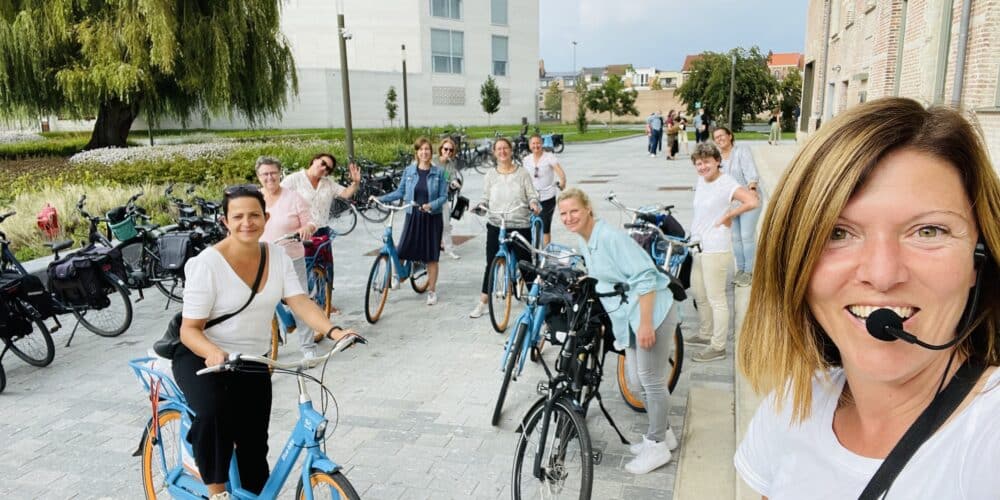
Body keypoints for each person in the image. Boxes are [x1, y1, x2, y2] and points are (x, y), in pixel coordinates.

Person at [735, 97, 1000, 498]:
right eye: (838, 233)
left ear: (978, 260)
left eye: (928, 231)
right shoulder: (791, 406)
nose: (882, 275)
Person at [172, 185, 358, 499]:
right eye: (238, 216)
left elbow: (299, 301)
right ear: (225, 221)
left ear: (266, 218)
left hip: (252, 360)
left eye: (254, 215)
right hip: (203, 357)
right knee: (214, 415)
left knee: (254, 444)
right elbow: (189, 330)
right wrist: (214, 352)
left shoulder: (277, 256)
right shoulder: (208, 264)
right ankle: (216, 493)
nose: (247, 222)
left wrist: (334, 331)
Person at [558, 187, 680, 474]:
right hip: (629, 317)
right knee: (636, 382)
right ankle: (664, 433)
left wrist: (646, 323)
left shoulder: (610, 238)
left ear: (588, 209)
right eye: (563, 213)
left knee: (650, 380)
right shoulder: (586, 240)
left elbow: (646, 277)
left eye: (574, 211)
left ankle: (657, 446)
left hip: (652, 312)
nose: (569, 217)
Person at [685, 142, 758, 362]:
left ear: (717, 161)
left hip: (716, 248)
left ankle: (718, 346)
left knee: (716, 298)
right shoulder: (702, 180)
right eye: (698, 163)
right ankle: (705, 333)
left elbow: (752, 201)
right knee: (699, 293)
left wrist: (728, 216)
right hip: (698, 246)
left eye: (706, 162)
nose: (702, 167)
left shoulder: (726, 183)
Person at [255, 156, 321, 358]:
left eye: (273, 173)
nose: (269, 177)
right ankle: (266, 346)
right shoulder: (255, 198)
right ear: (258, 176)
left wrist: (306, 229)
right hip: (263, 257)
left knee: (299, 301)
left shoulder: (293, 197)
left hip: (291, 257)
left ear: (280, 174)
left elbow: (311, 222)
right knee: (260, 304)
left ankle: (308, 348)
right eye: (265, 174)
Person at [282, 153, 361, 317]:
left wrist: (355, 182)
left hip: (321, 230)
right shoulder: (294, 179)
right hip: (301, 231)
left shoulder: (328, 183)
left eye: (328, 169)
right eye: (323, 163)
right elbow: (278, 197)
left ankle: (325, 302)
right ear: (314, 160)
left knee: (325, 267)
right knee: (303, 269)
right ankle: (303, 304)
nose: (324, 168)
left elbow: (346, 193)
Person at [469, 137, 540, 319]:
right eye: (498, 149)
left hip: (519, 224)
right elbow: (485, 198)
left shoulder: (522, 173)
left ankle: (538, 303)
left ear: (511, 150)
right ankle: (483, 302)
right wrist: (480, 207)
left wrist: (533, 204)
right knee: (491, 263)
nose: (502, 151)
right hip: (496, 223)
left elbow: (532, 195)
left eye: (505, 148)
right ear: (494, 153)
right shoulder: (490, 175)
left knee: (525, 265)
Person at [377, 137, 449, 306]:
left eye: (427, 149)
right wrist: (380, 198)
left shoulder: (438, 172)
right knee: (402, 249)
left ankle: (432, 291)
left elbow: (444, 196)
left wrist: (431, 205)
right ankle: (398, 275)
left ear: (431, 152)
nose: (424, 152)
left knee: (431, 256)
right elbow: (400, 192)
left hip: (432, 217)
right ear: (416, 152)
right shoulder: (409, 171)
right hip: (413, 215)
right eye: (421, 149)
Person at [713, 126, 763, 287]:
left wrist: (752, 188)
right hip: (731, 203)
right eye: (716, 138)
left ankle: (748, 272)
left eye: (722, 135)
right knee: (735, 238)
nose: (719, 139)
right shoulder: (717, 159)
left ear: (730, 136)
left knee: (746, 236)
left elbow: (750, 171)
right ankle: (740, 270)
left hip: (749, 198)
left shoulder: (742, 151)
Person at [522, 134, 567, 246]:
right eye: (533, 143)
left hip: (547, 195)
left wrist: (562, 182)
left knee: (546, 226)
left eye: (538, 143)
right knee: (526, 225)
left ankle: (546, 251)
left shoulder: (549, 157)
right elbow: (522, 177)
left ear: (542, 144)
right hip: (531, 197)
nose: (536, 146)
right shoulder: (526, 160)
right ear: (529, 145)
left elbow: (560, 171)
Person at [437, 137, 463, 260]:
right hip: (430, 198)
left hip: (442, 197)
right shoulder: (433, 161)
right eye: (445, 149)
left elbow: (451, 177)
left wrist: (454, 183)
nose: (448, 152)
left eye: (451, 150)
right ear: (441, 149)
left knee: (446, 225)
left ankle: (449, 249)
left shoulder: (450, 164)